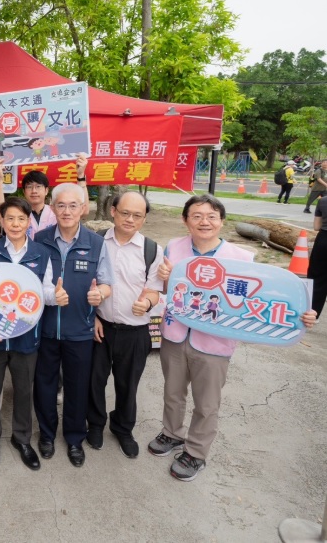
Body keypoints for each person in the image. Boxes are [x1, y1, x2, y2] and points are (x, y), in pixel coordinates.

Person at [153, 194, 317, 481]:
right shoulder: (174, 247)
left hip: (214, 343)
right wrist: (164, 276)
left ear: (222, 221)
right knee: (173, 392)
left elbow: (268, 297)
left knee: (206, 404)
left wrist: (299, 315)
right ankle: (172, 433)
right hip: (175, 335)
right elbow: (168, 290)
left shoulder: (242, 259)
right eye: (196, 216)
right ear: (185, 220)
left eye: (211, 216)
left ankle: (196, 452)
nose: (204, 222)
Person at [32, 183, 113, 469]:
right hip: (44, 329)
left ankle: (75, 438)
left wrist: (99, 294)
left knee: (77, 387)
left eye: (73, 205)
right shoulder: (40, 239)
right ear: (53, 208)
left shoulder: (96, 243)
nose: (66, 211)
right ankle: (46, 434)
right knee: (44, 385)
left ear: (83, 208)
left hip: (80, 329)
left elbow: (107, 283)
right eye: (61, 205)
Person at [0, 197, 56, 470]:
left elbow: (45, 292)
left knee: (24, 390)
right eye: (10, 218)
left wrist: (57, 296)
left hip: (27, 336)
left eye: (21, 219)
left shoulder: (41, 253)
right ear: (1, 221)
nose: (15, 224)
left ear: (29, 223)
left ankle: (22, 438)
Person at [88, 191, 163, 459]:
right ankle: (95, 425)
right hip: (100, 328)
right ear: (113, 212)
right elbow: (86, 283)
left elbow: (155, 290)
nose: (130, 219)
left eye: (137, 215)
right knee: (94, 381)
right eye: (125, 213)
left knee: (128, 384)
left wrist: (148, 303)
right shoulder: (96, 242)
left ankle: (123, 428)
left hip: (135, 331)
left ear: (144, 219)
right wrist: (93, 317)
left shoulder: (151, 250)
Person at [0, 154, 90, 240]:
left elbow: (84, 210)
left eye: (38, 186)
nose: (34, 191)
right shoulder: (19, 212)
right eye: (29, 187)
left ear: (46, 190)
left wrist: (81, 176)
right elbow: (0, 213)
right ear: (24, 191)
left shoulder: (56, 210)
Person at [310, 195, 327, 317]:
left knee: (317, 278)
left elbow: (316, 227)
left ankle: (313, 314)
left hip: (324, 240)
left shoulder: (323, 200)